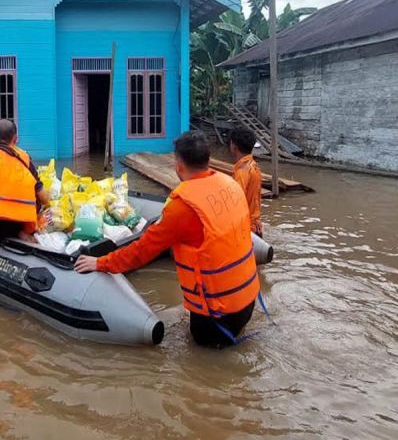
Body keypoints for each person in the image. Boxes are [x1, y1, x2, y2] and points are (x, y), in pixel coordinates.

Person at [74, 130, 260, 348]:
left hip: (215, 317)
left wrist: (100, 262)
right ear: (208, 160)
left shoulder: (182, 209)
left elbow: (140, 251)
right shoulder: (230, 185)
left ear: (178, 165)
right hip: (247, 301)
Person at [228, 127, 263, 237]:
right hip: (255, 224)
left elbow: (236, 202)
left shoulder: (242, 171)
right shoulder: (254, 165)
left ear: (234, 146)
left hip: (246, 228)